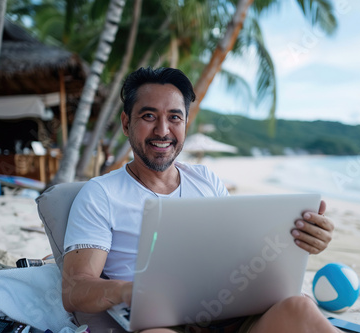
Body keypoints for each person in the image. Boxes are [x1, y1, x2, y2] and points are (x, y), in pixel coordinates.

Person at [62, 67, 338, 333]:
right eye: (148, 116)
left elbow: (241, 252)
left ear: (184, 124)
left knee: (299, 307)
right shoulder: (101, 194)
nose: (162, 130)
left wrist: (303, 241)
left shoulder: (206, 180)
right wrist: (128, 290)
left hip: (235, 315)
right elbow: (74, 289)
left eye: (174, 117)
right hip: (163, 323)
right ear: (126, 123)